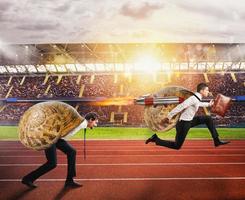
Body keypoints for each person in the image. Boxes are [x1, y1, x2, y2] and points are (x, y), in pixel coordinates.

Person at [21, 112, 99, 188]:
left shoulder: (81, 123)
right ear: (91, 119)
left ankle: (69, 180)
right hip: (50, 137)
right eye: (95, 121)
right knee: (52, 163)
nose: (96, 124)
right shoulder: (80, 122)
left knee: (72, 152)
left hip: (57, 138)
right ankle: (28, 178)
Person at [145, 83, 230, 149]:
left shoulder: (196, 98)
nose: (208, 92)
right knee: (176, 146)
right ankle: (156, 139)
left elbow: (198, 104)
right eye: (207, 90)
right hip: (183, 124)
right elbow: (181, 106)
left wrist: (209, 104)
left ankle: (216, 140)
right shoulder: (193, 98)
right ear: (201, 91)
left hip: (189, 121)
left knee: (208, 118)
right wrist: (169, 116)